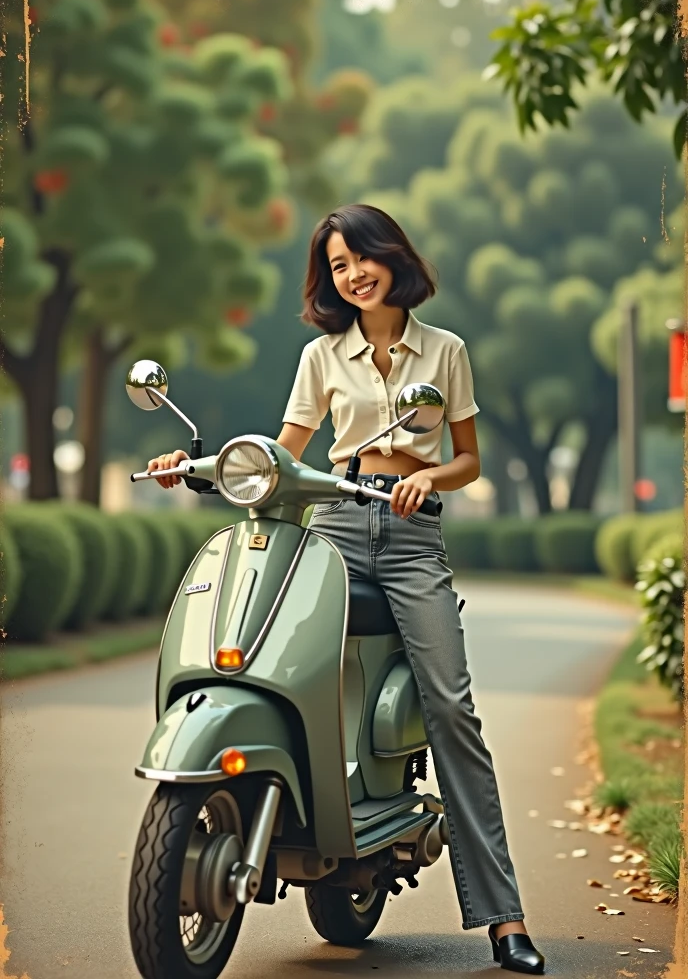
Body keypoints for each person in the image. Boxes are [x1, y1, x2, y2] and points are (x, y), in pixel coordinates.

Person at [147, 204, 545, 975]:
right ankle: (317, 813)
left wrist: (426, 476)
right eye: (337, 266)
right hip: (332, 526)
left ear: (392, 256)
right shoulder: (322, 356)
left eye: (362, 257)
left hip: (409, 535)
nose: (353, 274)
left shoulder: (446, 350)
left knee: (451, 707)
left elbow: (468, 459)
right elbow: (285, 452)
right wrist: (194, 465)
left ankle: (504, 918)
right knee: (286, 665)